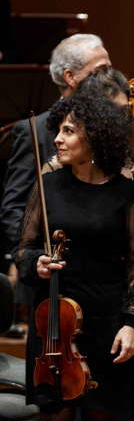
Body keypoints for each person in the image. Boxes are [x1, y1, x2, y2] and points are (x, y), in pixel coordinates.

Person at [18, 93, 134, 421]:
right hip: (54, 323)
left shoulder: (126, 195)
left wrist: (132, 323)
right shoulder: (48, 186)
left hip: (106, 322)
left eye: (70, 130)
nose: (58, 137)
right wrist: (39, 264)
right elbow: (24, 248)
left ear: (96, 138)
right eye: (60, 129)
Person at [1, 34, 110, 256]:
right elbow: (14, 209)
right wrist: (33, 257)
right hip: (49, 269)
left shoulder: (110, 127)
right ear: (70, 77)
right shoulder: (34, 130)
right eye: (100, 71)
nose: (110, 78)